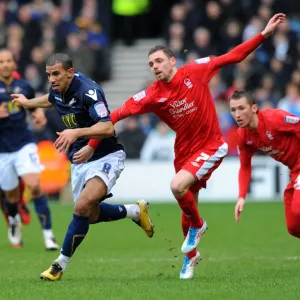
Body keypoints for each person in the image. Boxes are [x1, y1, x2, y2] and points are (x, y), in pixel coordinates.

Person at [74, 13, 286, 279]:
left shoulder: (196, 70)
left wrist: (264, 35)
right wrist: (93, 144)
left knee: (177, 187)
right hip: (184, 152)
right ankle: (191, 257)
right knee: (186, 207)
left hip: (210, 145)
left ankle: (199, 225)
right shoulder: (152, 94)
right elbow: (114, 116)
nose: (154, 66)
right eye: (151, 63)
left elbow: (233, 56)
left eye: (159, 60)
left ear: (172, 61)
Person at [11, 53, 154, 281]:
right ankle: (134, 211)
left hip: (106, 155)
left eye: (56, 74)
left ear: (70, 72)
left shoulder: (89, 92)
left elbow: (107, 127)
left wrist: (76, 132)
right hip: (80, 159)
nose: (52, 79)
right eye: (48, 75)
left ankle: (58, 266)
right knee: (90, 215)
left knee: (82, 206)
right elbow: (50, 99)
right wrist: (29, 103)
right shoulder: (58, 90)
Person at [0, 49, 59, 250]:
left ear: (15, 64)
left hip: (24, 144)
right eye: (1, 61)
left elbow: (33, 106)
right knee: (12, 197)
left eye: (9, 60)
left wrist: (38, 114)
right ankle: (14, 220)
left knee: (34, 186)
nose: (5, 64)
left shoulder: (24, 86)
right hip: (2, 150)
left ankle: (48, 235)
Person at [229, 90, 300, 238]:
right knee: (294, 226)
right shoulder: (243, 135)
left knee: (298, 209)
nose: (237, 115)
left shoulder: (274, 118)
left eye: (241, 108)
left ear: (254, 108)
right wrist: (241, 196)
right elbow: (245, 166)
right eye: (233, 110)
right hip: (295, 171)